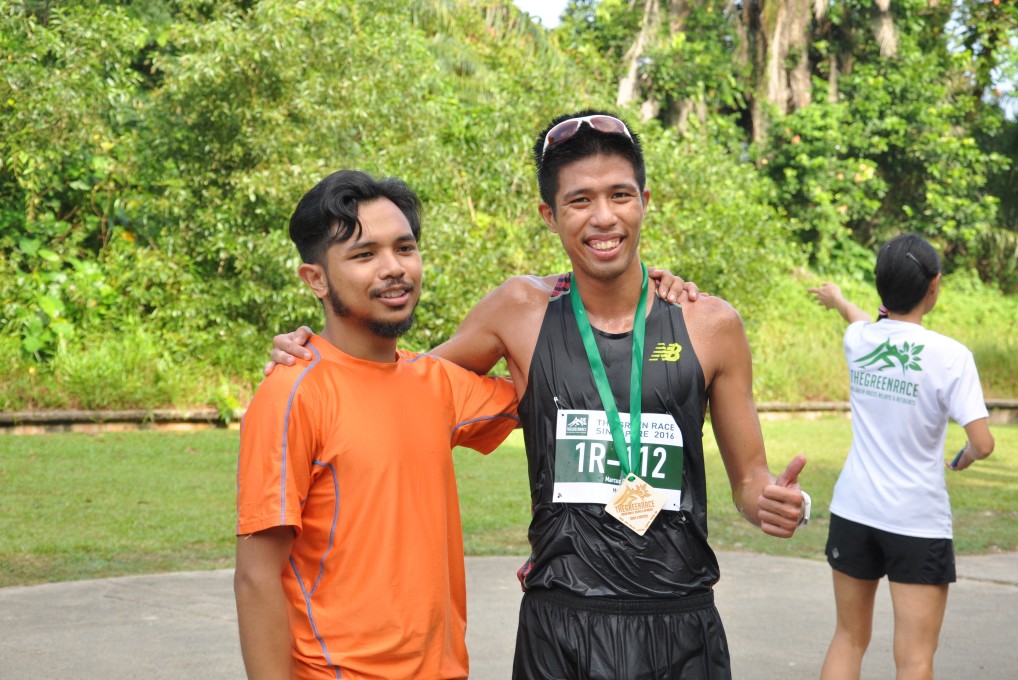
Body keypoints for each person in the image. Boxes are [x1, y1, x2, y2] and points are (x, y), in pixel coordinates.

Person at [271, 110, 810, 679]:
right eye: (580, 201)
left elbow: (751, 481)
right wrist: (318, 350)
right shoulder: (519, 312)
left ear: (644, 200)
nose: (604, 217)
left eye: (620, 195)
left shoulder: (710, 324)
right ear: (549, 216)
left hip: (679, 624)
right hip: (561, 628)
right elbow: (402, 381)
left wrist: (773, 503)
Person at [233, 170, 523, 680]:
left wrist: (647, 297)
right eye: (364, 255)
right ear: (315, 278)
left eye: (405, 248)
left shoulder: (436, 383)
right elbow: (256, 578)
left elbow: (553, 389)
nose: (395, 269)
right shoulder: (292, 391)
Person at [809, 234, 995, 680]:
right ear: (934, 286)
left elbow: (861, 322)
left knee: (849, 638)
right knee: (914, 658)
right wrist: (966, 456)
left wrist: (838, 301)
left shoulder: (859, 341)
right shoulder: (951, 357)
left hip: (854, 510)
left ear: (881, 286)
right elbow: (984, 443)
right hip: (916, 520)